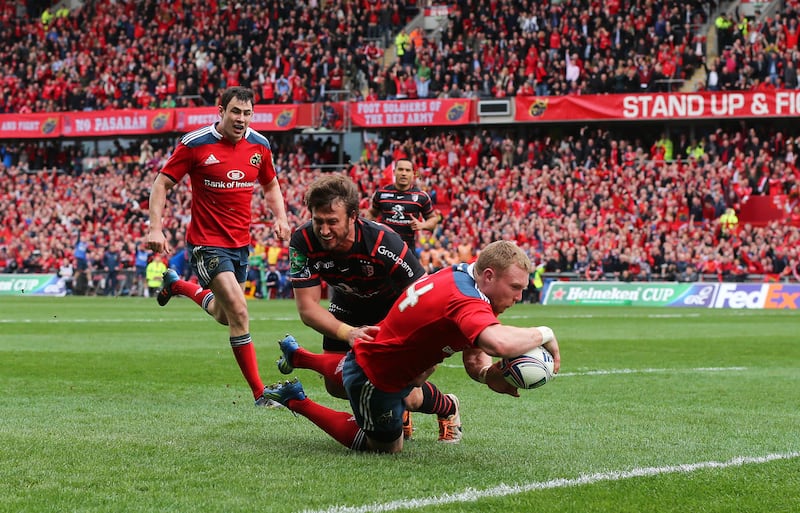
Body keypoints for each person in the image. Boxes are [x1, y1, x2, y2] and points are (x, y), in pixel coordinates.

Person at [263, 240, 561, 453]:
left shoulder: (463, 278)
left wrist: (487, 375)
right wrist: (544, 332)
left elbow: (475, 359)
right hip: (375, 375)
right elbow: (499, 343)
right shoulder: (466, 300)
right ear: (488, 276)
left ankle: (299, 357)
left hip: (395, 360)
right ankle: (297, 400)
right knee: (385, 447)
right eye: (516, 288)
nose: (520, 296)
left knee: (416, 389)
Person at [281, 173, 462, 442]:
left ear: (353, 216)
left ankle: (447, 406)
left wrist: (426, 348)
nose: (324, 230)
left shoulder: (383, 241)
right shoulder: (302, 241)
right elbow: (307, 308)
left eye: (333, 222)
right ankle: (393, 407)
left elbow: (425, 295)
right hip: (346, 307)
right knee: (336, 386)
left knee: (402, 391)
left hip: (391, 313)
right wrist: (348, 333)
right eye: (318, 221)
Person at [146, 86, 291, 406]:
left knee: (225, 316)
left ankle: (177, 285)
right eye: (235, 112)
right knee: (240, 312)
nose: (241, 119)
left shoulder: (260, 146)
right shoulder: (195, 144)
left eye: (247, 113)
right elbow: (162, 183)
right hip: (206, 244)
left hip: (240, 244)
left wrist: (280, 217)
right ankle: (260, 394)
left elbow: (270, 184)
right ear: (220, 111)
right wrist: (155, 227)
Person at [367, 159, 439, 251]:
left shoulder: (421, 196)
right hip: (384, 248)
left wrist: (422, 225)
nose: (404, 173)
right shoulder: (381, 193)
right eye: (400, 169)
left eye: (407, 170)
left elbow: (433, 219)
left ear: (413, 174)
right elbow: (372, 213)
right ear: (394, 172)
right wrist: (371, 229)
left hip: (407, 250)